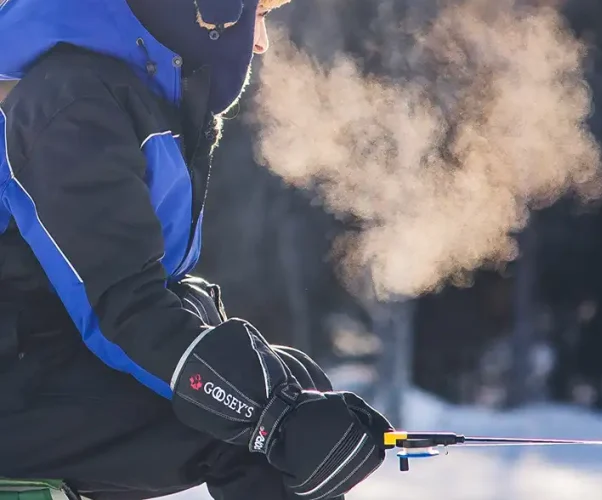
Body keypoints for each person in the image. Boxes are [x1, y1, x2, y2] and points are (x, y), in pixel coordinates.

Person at [0, 1, 392, 499]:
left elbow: (143, 284)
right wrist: (265, 414)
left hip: (43, 361)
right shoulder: (71, 101)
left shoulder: (134, 94)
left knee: (298, 391)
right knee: (253, 435)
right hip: (17, 380)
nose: (259, 43)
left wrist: (275, 392)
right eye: (259, 13)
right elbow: (124, 304)